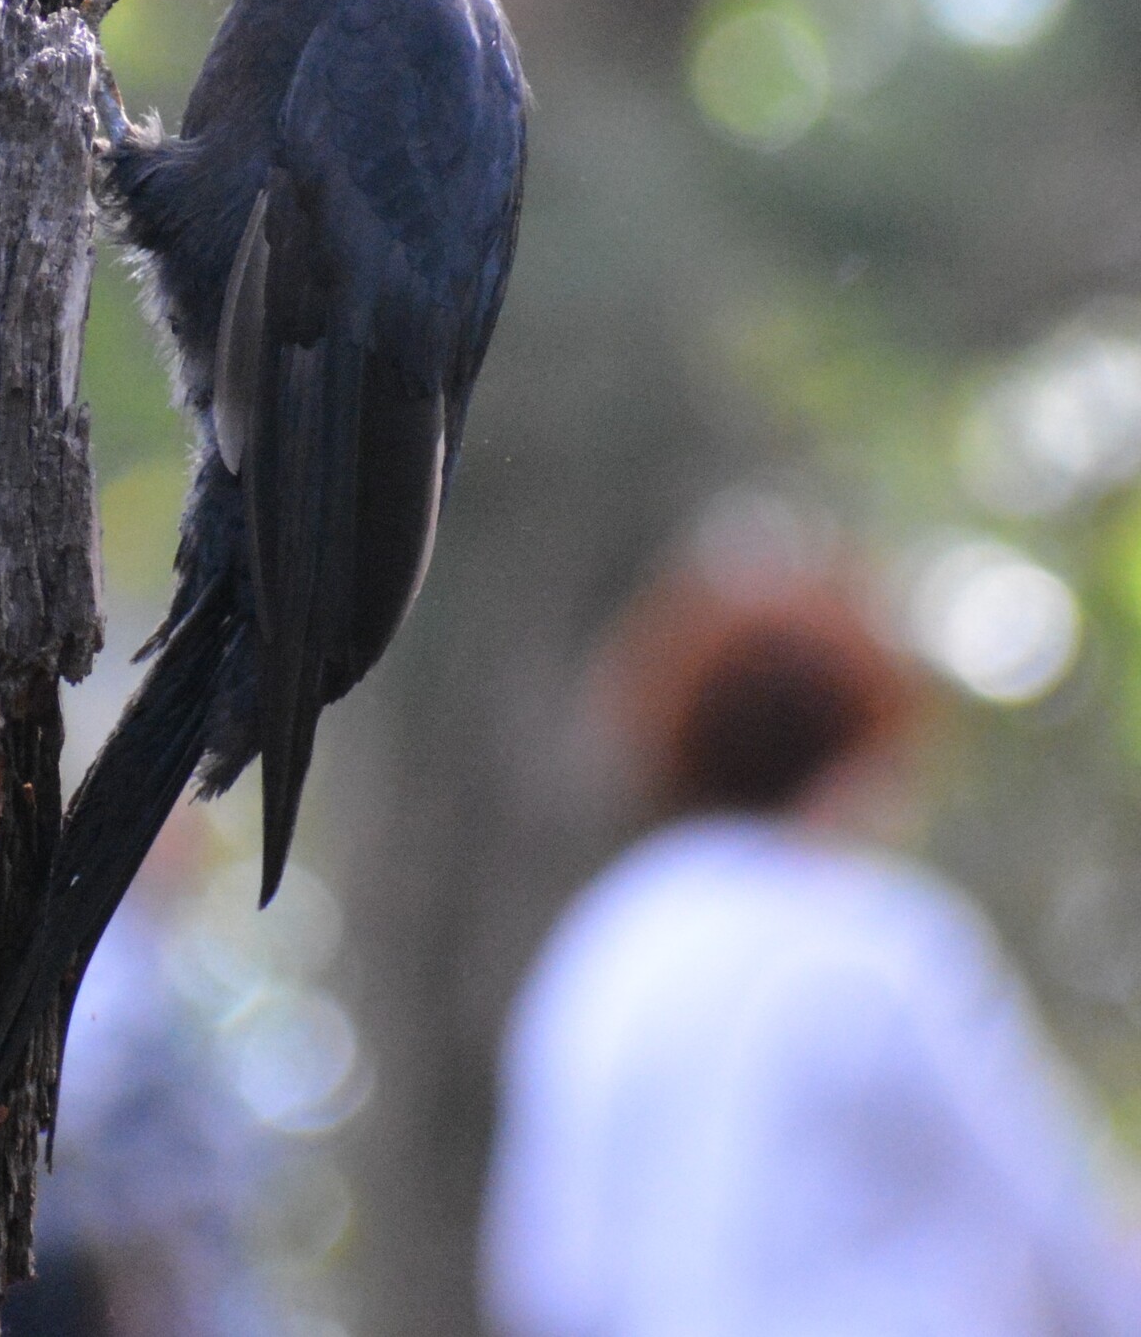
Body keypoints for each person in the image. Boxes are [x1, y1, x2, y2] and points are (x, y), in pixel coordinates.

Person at [480, 566, 1141, 1337]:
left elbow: (545, 1272)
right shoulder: (876, 941)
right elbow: (1064, 1232)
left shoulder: (602, 951)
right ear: (854, 749)